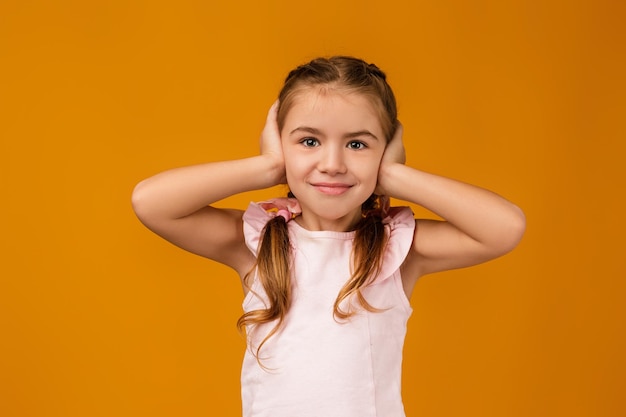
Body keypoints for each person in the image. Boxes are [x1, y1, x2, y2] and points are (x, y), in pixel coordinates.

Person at [132, 56, 526, 417]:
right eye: (309, 141)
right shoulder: (256, 243)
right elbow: (151, 202)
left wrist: (393, 177)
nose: (333, 164)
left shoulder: (397, 249)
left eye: (357, 144)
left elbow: (504, 228)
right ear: (281, 143)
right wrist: (269, 166)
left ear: (386, 150)